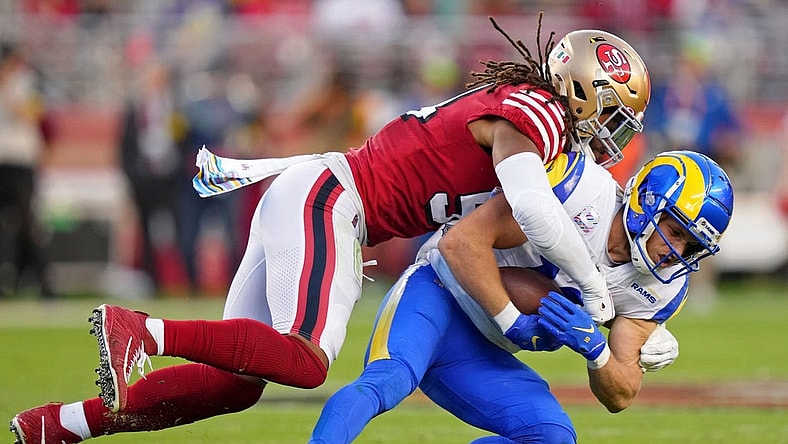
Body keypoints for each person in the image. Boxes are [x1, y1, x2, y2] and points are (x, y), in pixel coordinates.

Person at [9, 16, 651, 443]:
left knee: (234, 385)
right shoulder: (537, 115)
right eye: (616, 114)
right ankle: (141, 331)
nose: (615, 135)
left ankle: (59, 426)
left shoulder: (523, 110)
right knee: (308, 361)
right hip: (333, 202)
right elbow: (536, 213)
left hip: (319, 197)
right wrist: (597, 291)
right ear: (583, 94)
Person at [309, 149, 734, 443]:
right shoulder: (579, 191)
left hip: (480, 349)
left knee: (550, 437)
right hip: (437, 293)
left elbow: (622, 393)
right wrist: (513, 319)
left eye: (691, 246)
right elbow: (460, 244)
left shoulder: (664, 284)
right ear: (645, 200)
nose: (675, 251)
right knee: (389, 379)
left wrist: (597, 350)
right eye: (675, 231)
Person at [0, 41, 55, 299]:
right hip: (3, 160)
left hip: (21, 161)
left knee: (28, 223)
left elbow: (34, 116)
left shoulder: (27, 83)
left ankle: (42, 282)